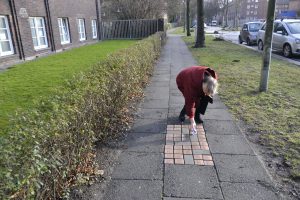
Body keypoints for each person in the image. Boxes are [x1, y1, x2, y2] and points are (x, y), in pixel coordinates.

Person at [176, 66, 218, 134]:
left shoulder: (212, 79)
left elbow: (210, 90)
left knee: (204, 97)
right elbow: (190, 101)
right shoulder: (191, 84)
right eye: (205, 91)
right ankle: (182, 114)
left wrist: (207, 94)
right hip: (183, 79)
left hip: (196, 76)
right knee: (192, 99)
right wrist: (192, 121)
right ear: (203, 85)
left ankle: (197, 116)